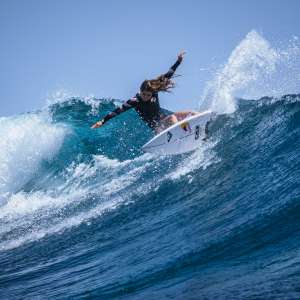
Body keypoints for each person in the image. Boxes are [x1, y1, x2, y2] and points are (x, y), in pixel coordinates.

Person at [91, 51, 198, 133]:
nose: (146, 97)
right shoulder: (134, 101)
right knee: (173, 118)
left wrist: (178, 62)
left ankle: (201, 128)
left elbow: (168, 74)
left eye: (148, 95)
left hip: (165, 119)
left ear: (152, 92)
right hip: (157, 127)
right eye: (144, 94)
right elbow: (116, 111)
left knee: (192, 113)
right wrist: (102, 121)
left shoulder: (154, 90)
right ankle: (182, 132)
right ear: (140, 91)